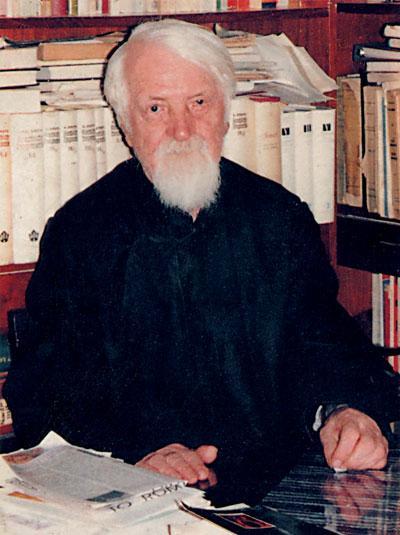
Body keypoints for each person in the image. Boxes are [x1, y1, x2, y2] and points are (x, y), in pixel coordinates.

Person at [4, 20, 399, 488]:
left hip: (277, 486)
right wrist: (137, 452)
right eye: (156, 108)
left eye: (199, 103)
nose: (182, 130)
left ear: (226, 114)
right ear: (126, 125)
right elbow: (46, 388)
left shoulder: (278, 216)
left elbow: (326, 342)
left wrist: (348, 410)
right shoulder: (82, 231)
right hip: (144, 490)